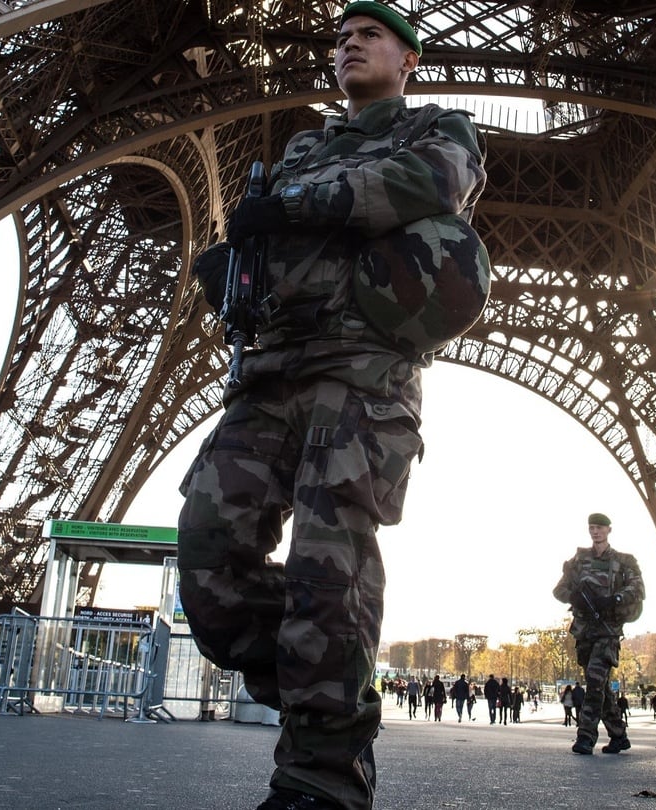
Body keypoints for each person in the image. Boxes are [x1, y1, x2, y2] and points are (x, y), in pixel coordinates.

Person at [174, 4, 489, 807]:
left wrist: (299, 207)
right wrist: (235, 262)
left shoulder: (435, 127)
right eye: (341, 36)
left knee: (326, 569)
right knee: (210, 561)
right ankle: (334, 684)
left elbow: (436, 184)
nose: (348, 43)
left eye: (369, 35)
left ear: (409, 58)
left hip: (361, 376)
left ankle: (321, 776)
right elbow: (269, 243)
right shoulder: (305, 145)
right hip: (272, 368)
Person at [553, 512, 645, 755]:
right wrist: (576, 598)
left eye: (600, 528)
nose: (595, 532)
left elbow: (637, 589)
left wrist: (613, 600)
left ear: (609, 530)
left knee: (594, 682)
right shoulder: (578, 561)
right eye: (592, 528)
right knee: (600, 687)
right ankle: (618, 735)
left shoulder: (625, 561)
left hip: (608, 631)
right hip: (585, 632)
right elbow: (559, 590)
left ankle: (585, 737)